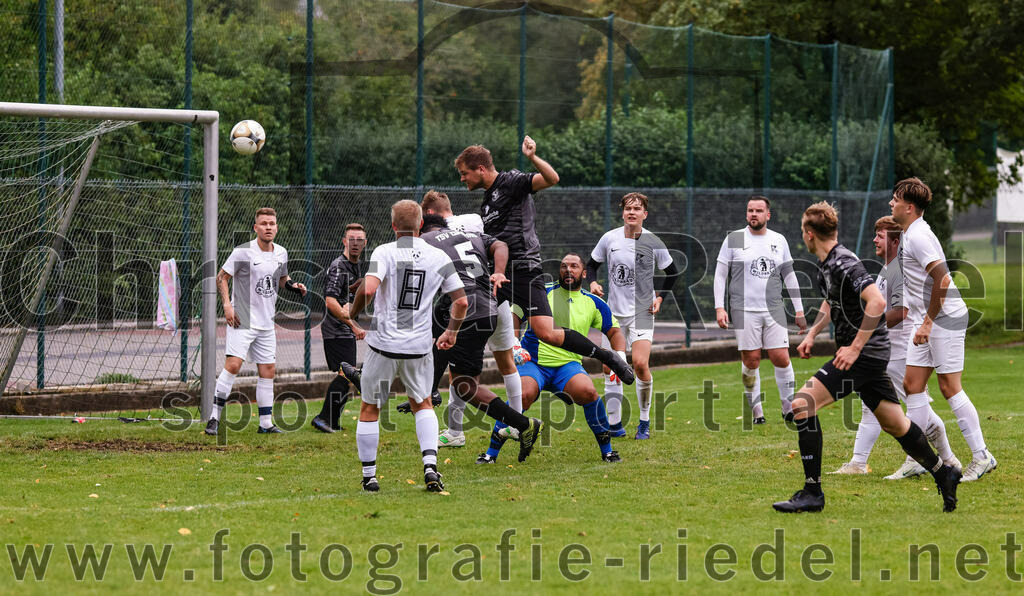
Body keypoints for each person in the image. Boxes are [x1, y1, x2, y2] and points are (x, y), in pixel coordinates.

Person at [772, 201, 960, 513]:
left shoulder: (844, 263)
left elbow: (876, 302)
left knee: (801, 405)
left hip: (864, 355)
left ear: (808, 234)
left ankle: (812, 492)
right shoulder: (829, 263)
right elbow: (832, 304)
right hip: (869, 356)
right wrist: (811, 333)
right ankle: (945, 472)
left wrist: (856, 347)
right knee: (896, 424)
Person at [455, 138, 635, 386]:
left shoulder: (511, 181)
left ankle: (609, 357)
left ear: (481, 169)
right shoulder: (486, 202)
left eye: (465, 173)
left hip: (525, 270)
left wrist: (532, 157)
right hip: (498, 275)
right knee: (472, 320)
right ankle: (441, 391)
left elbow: (552, 179)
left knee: (546, 332)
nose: (462, 179)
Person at [347, 200, 467, 493]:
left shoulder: (385, 251)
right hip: (418, 346)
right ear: (421, 225)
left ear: (393, 226)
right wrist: (451, 332)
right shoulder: (438, 256)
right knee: (422, 403)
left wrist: (353, 312)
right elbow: (462, 301)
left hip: (384, 344)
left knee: (370, 406)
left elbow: (370, 288)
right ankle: (430, 467)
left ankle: (370, 476)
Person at [831, 216, 959, 477]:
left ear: (895, 240)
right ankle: (858, 463)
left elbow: (901, 311)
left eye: (879, 235)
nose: (874, 239)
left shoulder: (898, 270)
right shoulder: (886, 269)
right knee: (871, 402)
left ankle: (945, 459)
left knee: (919, 408)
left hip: (900, 352)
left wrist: (867, 328)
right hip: (885, 352)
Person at [891, 177, 997, 482]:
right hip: (927, 320)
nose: (891, 203)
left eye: (895, 199)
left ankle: (982, 456)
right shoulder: (911, 232)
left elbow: (943, 280)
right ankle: (917, 458)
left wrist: (927, 323)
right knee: (913, 384)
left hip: (943, 319)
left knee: (950, 387)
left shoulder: (919, 236)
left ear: (909, 207)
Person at [479, 253, 626, 464]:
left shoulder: (593, 302)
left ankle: (608, 451)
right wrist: (515, 342)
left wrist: (618, 358)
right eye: (564, 266)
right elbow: (514, 315)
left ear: (584, 273)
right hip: (534, 363)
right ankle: (490, 454)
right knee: (522, 394)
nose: (568, 270)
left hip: (568, 366)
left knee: (589, 392)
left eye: (574, 266)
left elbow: (614, 331)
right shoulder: (540, 293)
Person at [418, 212, 542, 460]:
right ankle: (438, 405)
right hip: (489, 308)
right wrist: (498, 271)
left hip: (466, 310)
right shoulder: (471, 234)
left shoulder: (426, 240)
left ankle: (523, 425)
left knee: (464, 386)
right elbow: (501, 245)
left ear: (422, 226)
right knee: (465, 380)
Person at [204, 207, 307, 435]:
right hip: (243, 319)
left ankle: (266, 424)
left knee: (268, 370)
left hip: (267, 322)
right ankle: (213, 418)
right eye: (263, 223)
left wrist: (293, 286)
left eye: (272, 223)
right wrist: (227, 306)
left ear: (276, 227)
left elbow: (282, 278)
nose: (268, 227)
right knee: (233, 366)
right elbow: (221, 277)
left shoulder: (281, 252)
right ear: (256, 227)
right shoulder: (243, 252)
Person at [586, 192, 680, 439]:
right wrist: (593, 284)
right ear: (623, 212)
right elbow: (591, 265)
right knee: (610, 368)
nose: (632, 212)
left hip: (642, 312)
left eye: (637, 209)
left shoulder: (654, 242)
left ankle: (644, 421)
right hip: (613, 315)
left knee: (639, 364)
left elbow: (673, 272)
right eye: (628, 208)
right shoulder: (609, 238)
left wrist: (660, 299)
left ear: (644, 214)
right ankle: (615, 425)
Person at [714, 196, 806, 424]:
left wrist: (800, 309)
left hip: (774, 308)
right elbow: (720, 274)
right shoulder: (734, 238)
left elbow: (790, 275)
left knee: (781, 358)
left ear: (768, 215)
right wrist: (719, 307)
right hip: (743, 309)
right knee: (752, 360)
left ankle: (788, 409)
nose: (753, 214)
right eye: (750, 210)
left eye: (758, 210)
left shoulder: (779, 239)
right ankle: (757, 413)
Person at [312, 223, 368, 433]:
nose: (355, 243)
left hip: (343, 329)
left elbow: (346, 296)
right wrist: (352, 325)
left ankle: (331, 421)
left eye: (359, 240)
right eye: (351, 239)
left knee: (346, 375)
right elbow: (330, 301)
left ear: (364, 243)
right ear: (344, 241)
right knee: (346, 374)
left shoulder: (354, 265)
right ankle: (323, 418)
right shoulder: (339, 266)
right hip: (336, 330)